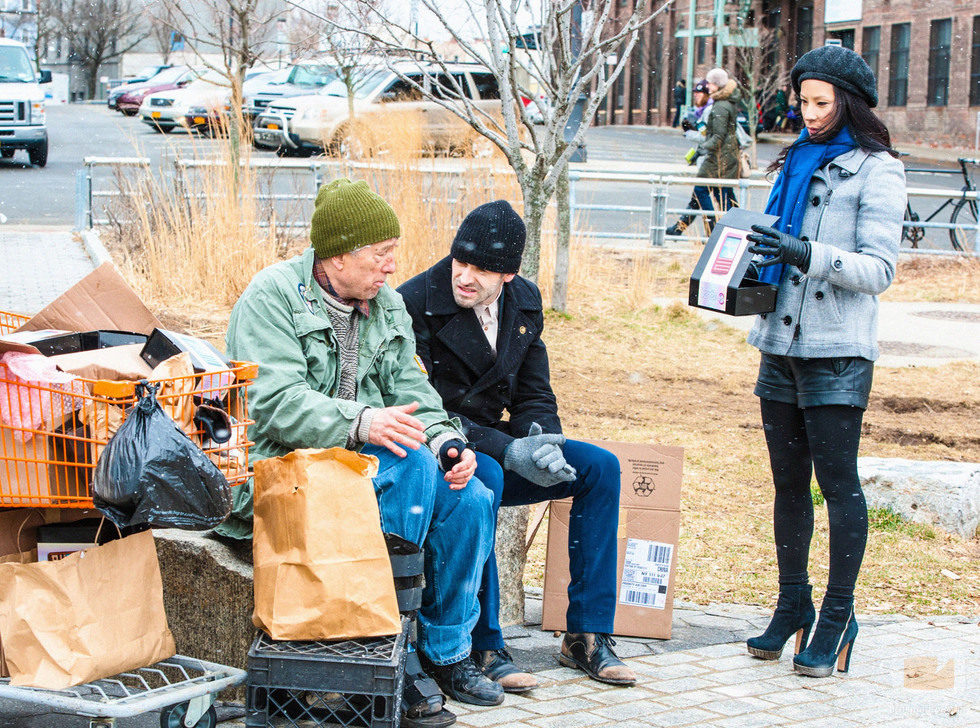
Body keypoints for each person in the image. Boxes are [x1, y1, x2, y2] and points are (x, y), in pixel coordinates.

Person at [216, 178, 502, 726]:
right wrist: (362, 421)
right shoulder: (270, 297)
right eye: (380, 254)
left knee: (471, 495)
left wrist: (449, 444)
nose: (392, 267)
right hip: (286, 469)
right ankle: (389, 653)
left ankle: (446, 654)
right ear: (339, 255)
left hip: (367, 463)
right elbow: (271, 402)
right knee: (409, 466)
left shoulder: (386, 304)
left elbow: (413, 393)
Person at [398, 200, 636, 693]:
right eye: (460, 262)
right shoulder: (415, 300)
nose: (464, 277)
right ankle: (483, 644)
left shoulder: (524, 298)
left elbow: (534, 391)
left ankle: (586, 633)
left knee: (601, 469)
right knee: (484, 478)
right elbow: (427, 407)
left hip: (507, 440)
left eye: (482, 270)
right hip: (451, 446)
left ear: (508, 274)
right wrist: (509, 450)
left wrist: (540, 440)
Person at [742, 45, 906, 678]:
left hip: (837, 351)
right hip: (778, 345)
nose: (807, 114)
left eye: (821, 103)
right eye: (802, 101)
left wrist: (804, 251)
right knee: (787, 485)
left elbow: (879, 270)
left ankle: (839, 613)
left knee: (837, 486)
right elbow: (768, 240)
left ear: (849, 103)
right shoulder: (793, 161)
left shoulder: (878, 170)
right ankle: (793, 605)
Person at [667, 68, 743, 238]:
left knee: (705, 192)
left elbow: (717, 137)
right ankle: (681, 228)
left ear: (716, 84)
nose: (707, 86)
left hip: (718, 159)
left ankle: (715, 230)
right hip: (723, 157)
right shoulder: (724, 102)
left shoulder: (720, 107)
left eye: (709, 82)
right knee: (721, 197)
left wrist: (700, 150)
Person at [670, 80, 714, 236]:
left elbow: (709, 137)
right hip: (707, 159)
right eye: (695, 92)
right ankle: (679, 228)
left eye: (699, 93)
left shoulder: (709, 110)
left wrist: (690, 133)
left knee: (701, 194)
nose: (696, 95)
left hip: (710, 160)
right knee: (698, 197)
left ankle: (713, 230)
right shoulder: (702, 111)